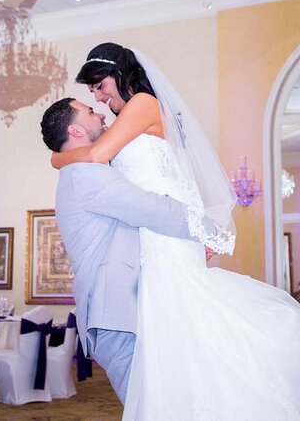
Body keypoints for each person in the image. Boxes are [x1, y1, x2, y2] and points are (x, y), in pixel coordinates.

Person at [51, 43, 300, 420]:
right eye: (91, 92)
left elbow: (95, 156)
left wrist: (56, 157)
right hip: (155, 241)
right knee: (180, 347)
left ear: (121, 73)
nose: (98, 95)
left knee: (186, 333)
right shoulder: (137, 113)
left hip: (164, 240)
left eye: (98, 85)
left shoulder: (141, 103)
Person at [41, 97, 206, 403]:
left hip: (119, 310)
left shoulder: (82, 169)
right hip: (114, 311)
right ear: (76, 131)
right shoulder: (84, 175)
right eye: (90, 111)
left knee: (159, 403)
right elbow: (151, 209)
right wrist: (208, 230)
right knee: (148, 405)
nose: (100, 112)